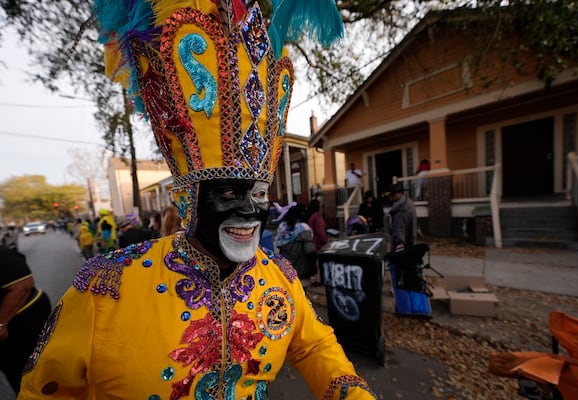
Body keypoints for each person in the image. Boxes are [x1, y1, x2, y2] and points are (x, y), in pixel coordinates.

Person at [18, 1, 374, 399]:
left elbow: (313, 345)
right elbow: (44, 390)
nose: (249, 210)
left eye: (258, 193)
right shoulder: (105, 287)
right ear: (187, 199)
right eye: (227, 193)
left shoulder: (280, 278)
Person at [0, 246, 51, 396]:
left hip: (24, 318)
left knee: (29, 373)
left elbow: (23, 286)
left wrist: (1, 323)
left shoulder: (3, 256)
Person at [274, 203, 315, 280]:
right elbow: (310, 245)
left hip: (285, 266)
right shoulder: (303, 227)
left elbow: (277, 243)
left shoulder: (281, 227)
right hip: (300, 266)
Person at [387, 183, 418, 251]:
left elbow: (400, 228)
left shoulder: (401, 209)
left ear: (398, 194)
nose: (389, 198)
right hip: (409, 242)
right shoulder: (408, 202)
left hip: (403, 245)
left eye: (391, 195)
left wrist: (399, 243)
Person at [305, 199, 328, 284]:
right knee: (321, 264)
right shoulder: (317, 217)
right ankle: (320, 280)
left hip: (312, 243)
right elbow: (320, 231)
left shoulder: (311, 217)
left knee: (314, 264)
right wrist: (325, 241)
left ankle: (314, 279)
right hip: (319, 244)